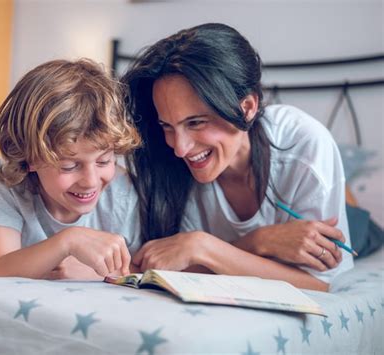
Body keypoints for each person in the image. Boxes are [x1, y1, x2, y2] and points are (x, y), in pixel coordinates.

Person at [122, 23, 354, 291]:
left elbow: (318, 285)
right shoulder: (167, 164)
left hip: (351, 226)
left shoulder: (304, 145)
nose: (180, 149)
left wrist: (203, 247)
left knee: (361, 226)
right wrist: (258, 241)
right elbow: (176, 265)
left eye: (196, 122)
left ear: (247, 108)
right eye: (167, 126)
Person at [0, 59, 141, 280]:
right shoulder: (10, 180)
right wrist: (68, 241)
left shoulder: (123, 194)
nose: (91, 181)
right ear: (30, 159)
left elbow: (141, 269)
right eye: (69, 166)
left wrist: (96, 273)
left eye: (104, 161)